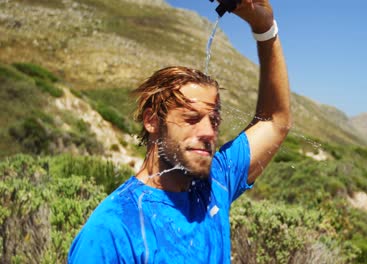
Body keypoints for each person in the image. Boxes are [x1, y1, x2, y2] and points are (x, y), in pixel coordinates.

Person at [68, 0, 290, 262]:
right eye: (191, 118)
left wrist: (265, 27)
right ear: (152, 121)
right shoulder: (113, 231)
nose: (209, 132)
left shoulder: (215, 183)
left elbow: (275, 122)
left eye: (214, 120)